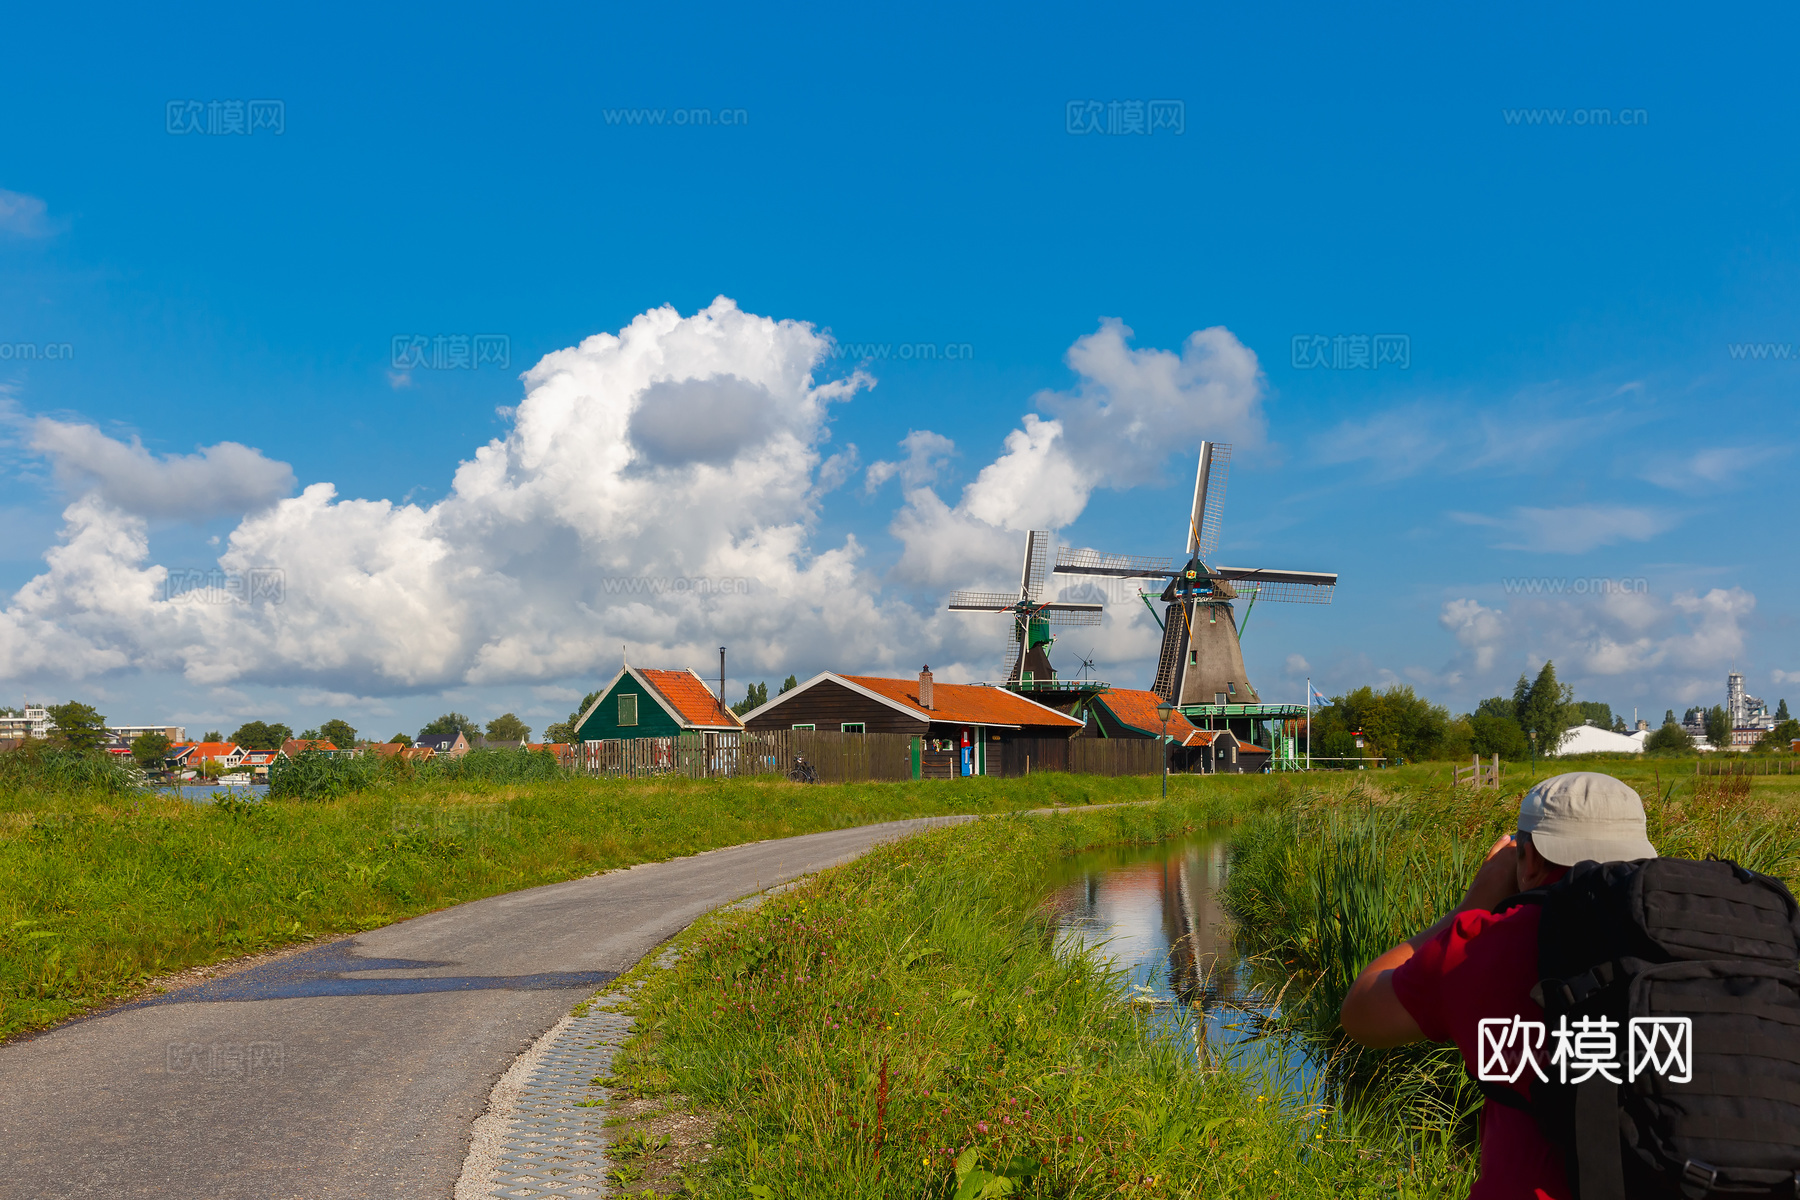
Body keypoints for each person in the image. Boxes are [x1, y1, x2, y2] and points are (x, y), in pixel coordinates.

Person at [1339, 772, 1659, 1200]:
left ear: (1527, 860)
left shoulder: (1484, 946)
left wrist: (1470, 908)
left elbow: (1361, 1012)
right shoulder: (1700, 940)